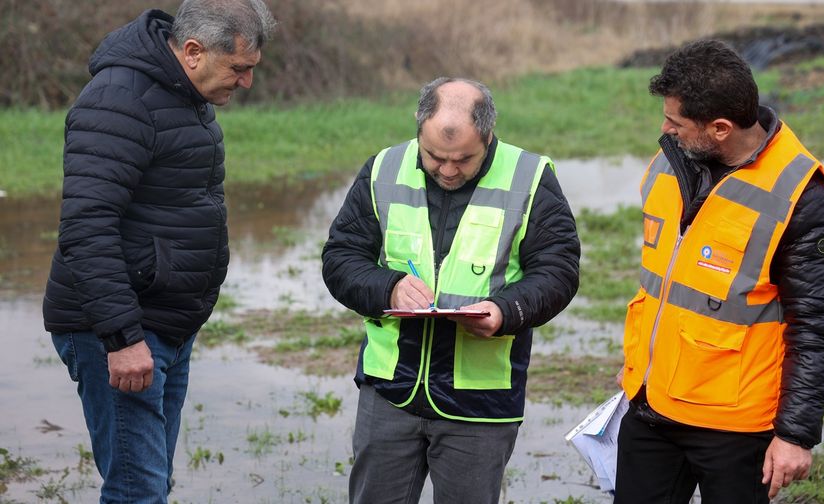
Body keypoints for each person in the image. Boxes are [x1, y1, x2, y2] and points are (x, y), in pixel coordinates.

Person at [42, 1, 275, 502]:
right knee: (137, 491)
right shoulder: (119, 101)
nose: (246, 83)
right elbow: (87, 226)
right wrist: (122, 338)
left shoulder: (184, 94)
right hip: (120, 330)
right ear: (193, 52)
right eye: (239, 68)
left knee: (150, 484)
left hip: (164, 325)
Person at [322, 77, 580, 503]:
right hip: (390, 391)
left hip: (480, 403)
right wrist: (389, 288)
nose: (446, 169)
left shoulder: (530, 177)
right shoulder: (384, 168)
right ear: (419, 129)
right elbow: (341, 258)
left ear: (488, 134)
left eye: (463, 159)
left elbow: (558, 270)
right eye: (435, 157)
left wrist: (505, 311)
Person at [615, 39, 824, 503]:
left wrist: (795, 435)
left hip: (735, 428)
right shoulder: (673, 159)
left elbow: (816, 326)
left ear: (720, 128)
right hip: (650, 406)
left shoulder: (803, 197)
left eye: (675, 121)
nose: (665, 129)